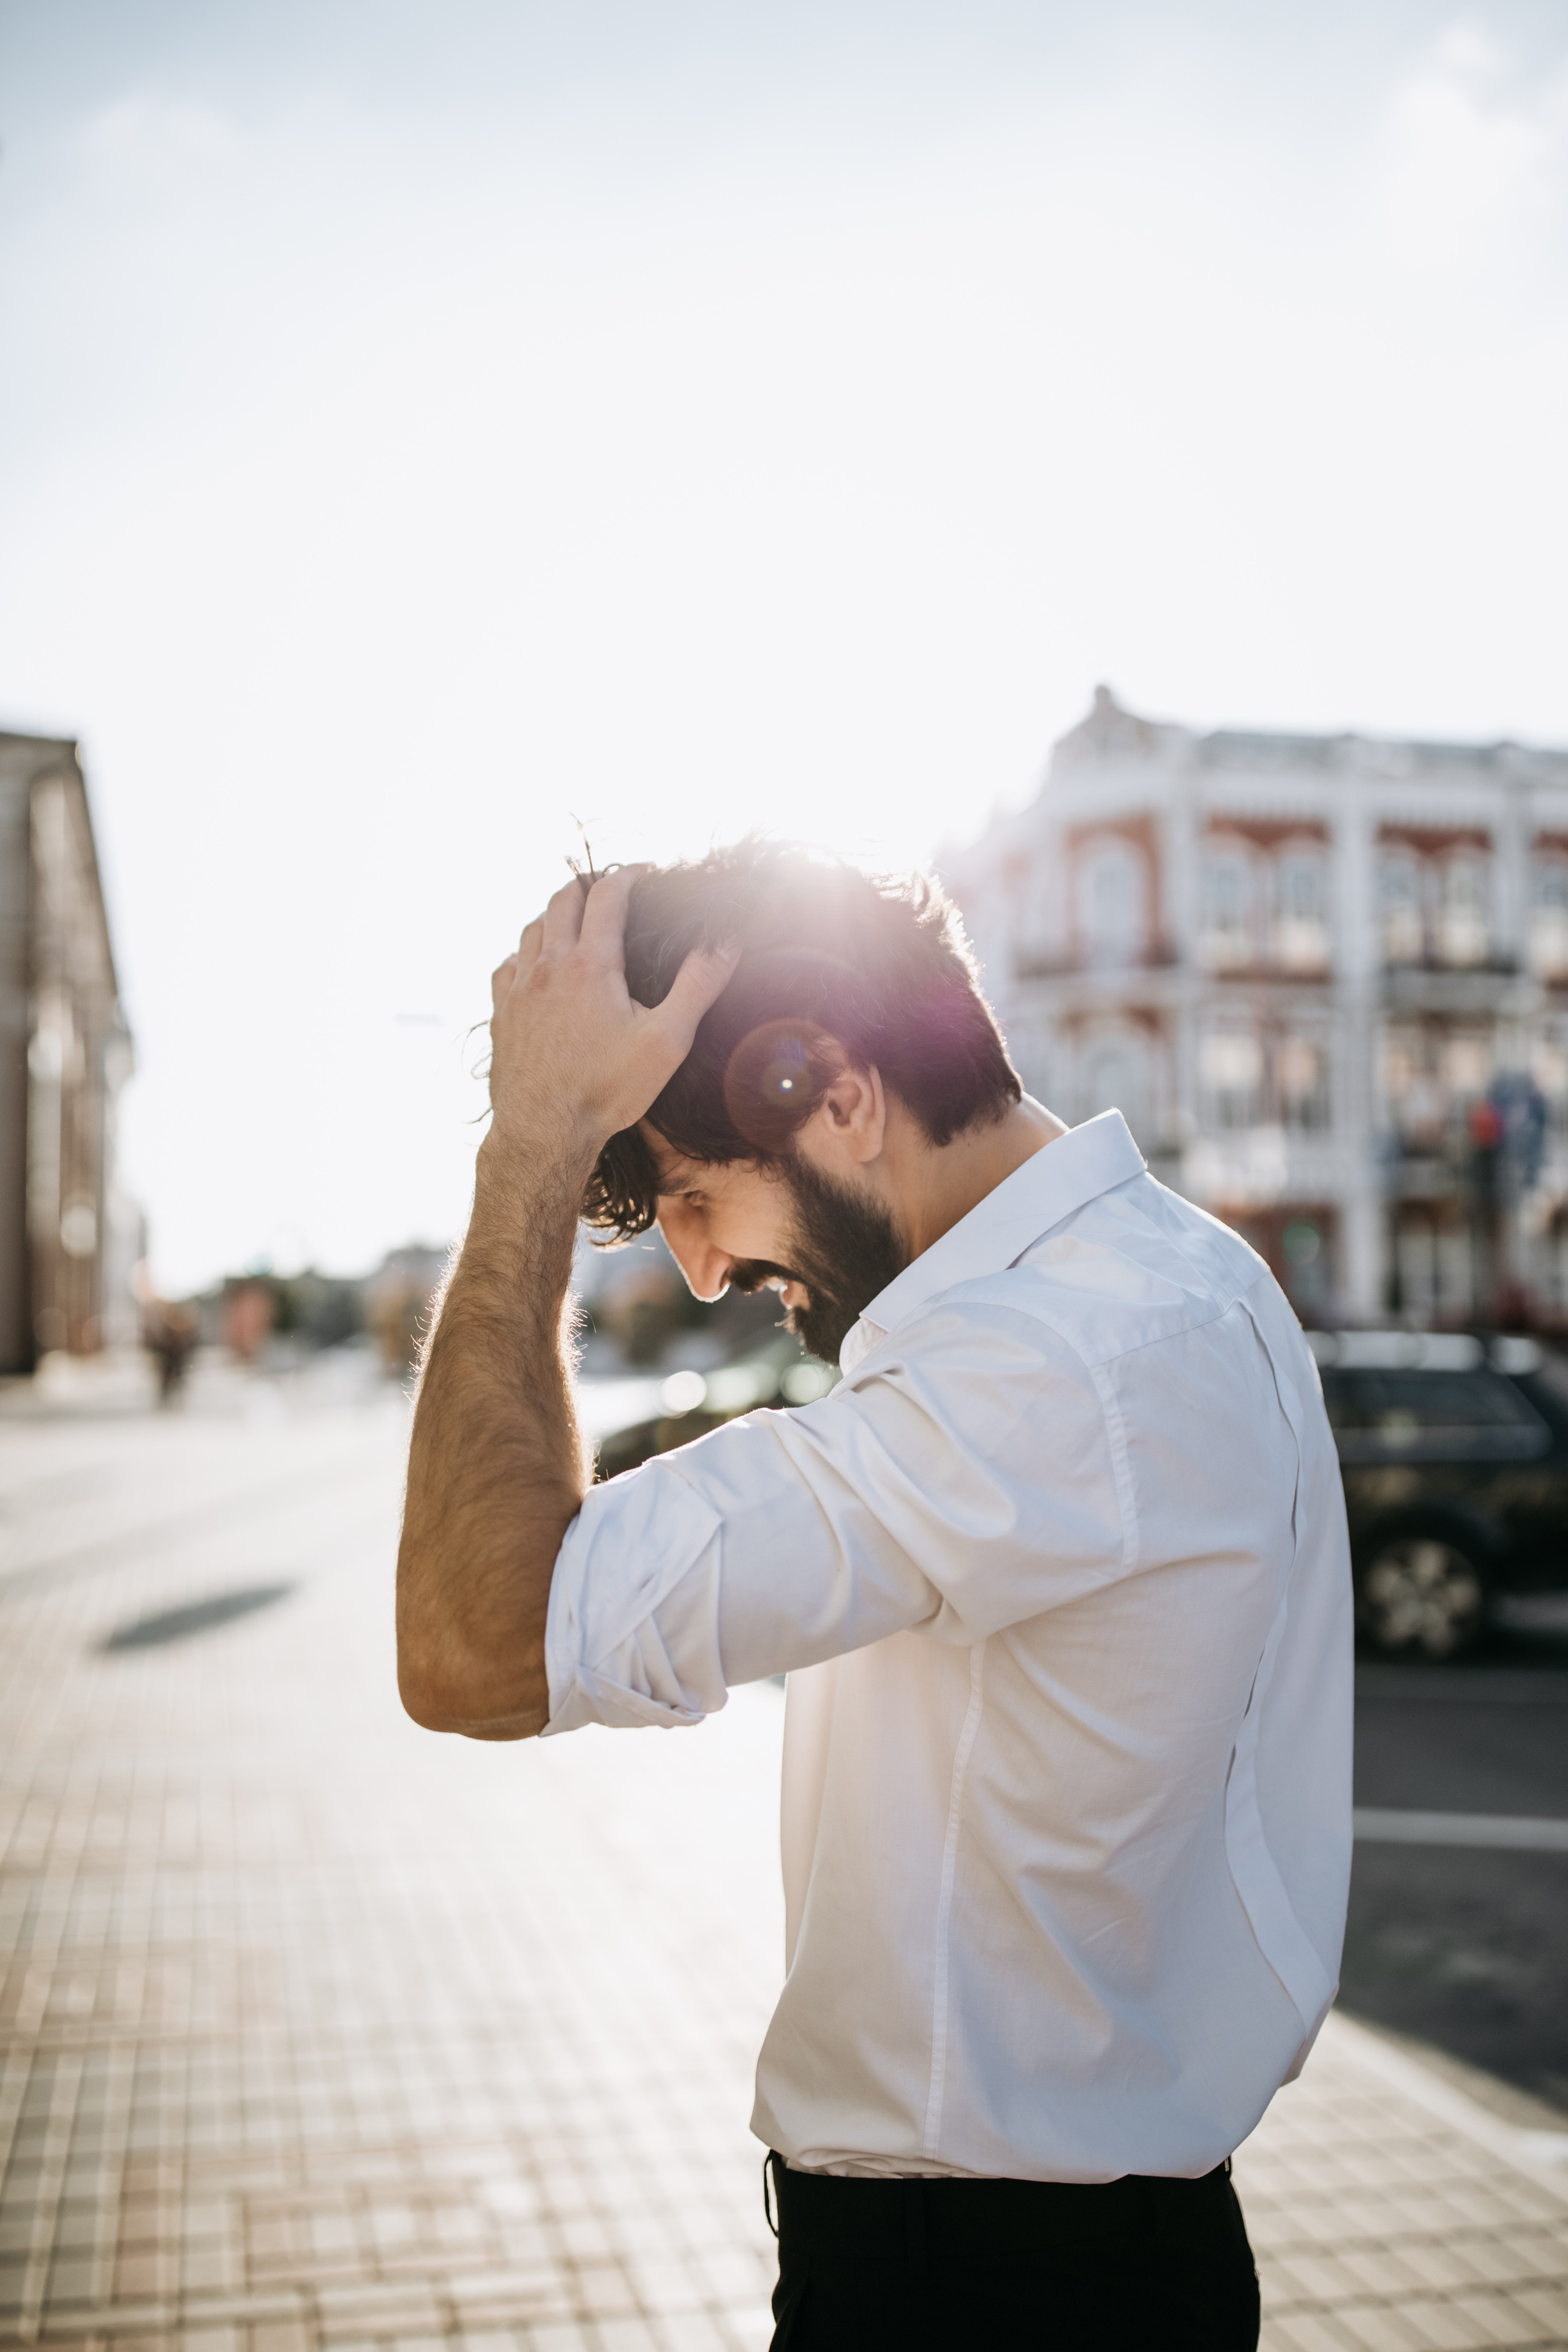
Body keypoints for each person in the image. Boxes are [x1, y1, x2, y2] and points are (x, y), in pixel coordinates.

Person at [396, 843, 1353, 2351]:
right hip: (1094, 2259)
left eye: (694, 1195)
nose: (702, 1271)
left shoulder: (1041, 1374)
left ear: (838, 1090)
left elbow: (474, 1645)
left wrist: (526, 1147)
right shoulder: (1176, 1276)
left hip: (979, 2291)